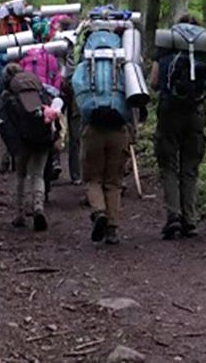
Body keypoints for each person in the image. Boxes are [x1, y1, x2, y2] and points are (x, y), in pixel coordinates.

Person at [71, 13, 136, 245]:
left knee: (92, 178)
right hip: (118, 127)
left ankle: (98, 212)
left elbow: (74, 84)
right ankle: (112, 229)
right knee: (114, 181)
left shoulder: (86, 61)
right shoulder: (124, 60)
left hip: (93, 126)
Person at [150, 14, 206, 239]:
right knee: (190, 167)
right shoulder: (203, 49)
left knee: (168, 165)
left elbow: (155, 82)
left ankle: (173, 216)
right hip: (196, 113)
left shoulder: (166, 46)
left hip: (169, 111)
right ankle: (190, 219)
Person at [2, 62, 56, 231]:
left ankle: (20, 213)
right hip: (43, 136)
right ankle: (39, 207)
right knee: (38, 174)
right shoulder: (40, 88)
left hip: (22, 140)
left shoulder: (8, 95)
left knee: (21, 175)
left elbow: (7, 121)